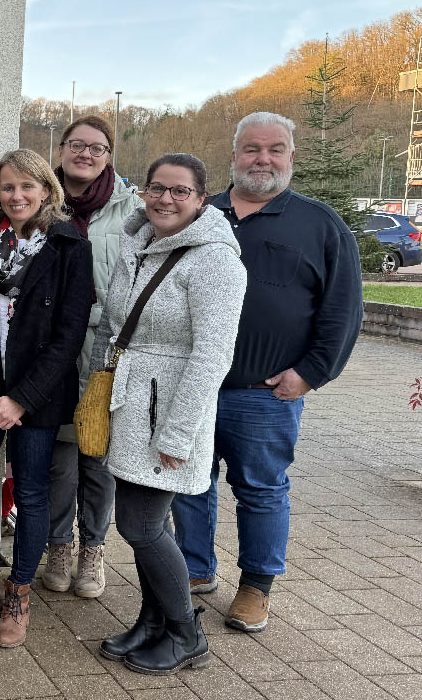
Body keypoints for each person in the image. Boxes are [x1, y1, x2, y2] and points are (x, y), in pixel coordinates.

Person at [171, 112, 363, 633]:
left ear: (291, 156)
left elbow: (343, 310)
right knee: (190, 483)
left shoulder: (320, 224)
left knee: (261, 489)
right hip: (193, 385)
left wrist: (311, 374)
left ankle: (256, 586)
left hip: (264, 394)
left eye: (275, 149)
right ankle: (192, 571)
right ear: (233, 156)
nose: (263, 159)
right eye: (252, 149)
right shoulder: (198, 215)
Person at [94, 154, 246, 675]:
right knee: (143, 523)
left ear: (202, 199)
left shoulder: (216, 260)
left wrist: (179, 432)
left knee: (140, 526)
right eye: (157, 188)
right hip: (135, 404)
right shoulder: (140, 247)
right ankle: (153, 622)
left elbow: (212, 356)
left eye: (180, 191)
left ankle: (186, 634)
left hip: (170, 413)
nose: (165, 199)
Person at [0, 149, 93, 647]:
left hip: (39, 397)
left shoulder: (70, 245)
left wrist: (21, 399)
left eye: (28, 186)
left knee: (31, 496)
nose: (18, 196)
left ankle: (19, 593)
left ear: (47, 190)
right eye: (8, 187)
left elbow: (70, 333)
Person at [43, 114, 145, 598]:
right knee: (59, 458)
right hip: (52, 348)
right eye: (76, 144)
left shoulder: (132, 211)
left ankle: (93, 549)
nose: (85, 153)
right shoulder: (40, 200)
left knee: (98, 456)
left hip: (107, 348)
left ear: (109, 156)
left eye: (97, 147)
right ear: (60, 149)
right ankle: (58, 545)